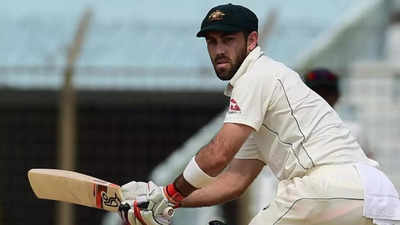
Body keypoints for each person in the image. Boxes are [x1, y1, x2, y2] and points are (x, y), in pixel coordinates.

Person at [118, 4, 400, 225]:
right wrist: (165, 197)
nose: (219, 50)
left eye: (228, 40)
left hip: (327, 188)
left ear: (252, 40)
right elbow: (234, 182)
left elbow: (218, 154)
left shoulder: (255, 76)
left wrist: (168, 195)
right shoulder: (266, 97)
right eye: (212, 42)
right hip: (378, 198)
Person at [303, 68, 373, 158]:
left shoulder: (355, 132)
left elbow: (370, 168)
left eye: (327, 93)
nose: (321, 98)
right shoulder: (292, 134)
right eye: (316, 93)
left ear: (337, 96)